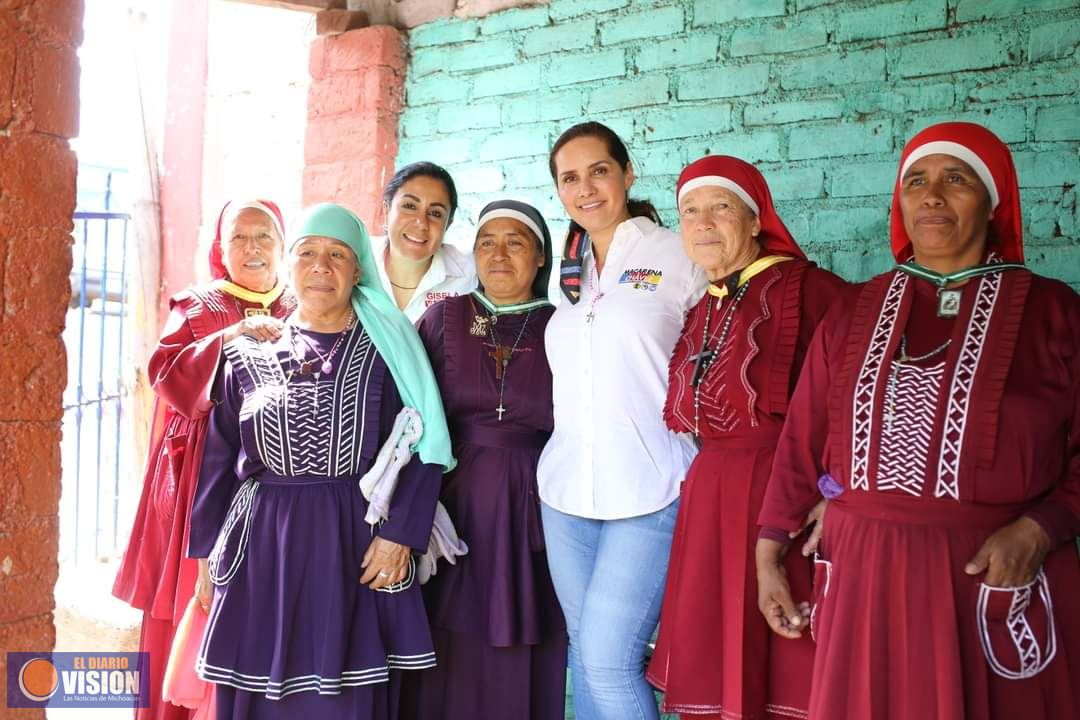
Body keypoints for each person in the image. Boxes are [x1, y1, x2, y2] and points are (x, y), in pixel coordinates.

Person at [756, 121, 1080, 719]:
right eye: (917, 181)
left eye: (956, 180)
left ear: (992, 202)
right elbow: (804, 443)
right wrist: (768, 554)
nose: (932, 195)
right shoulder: (854, 310)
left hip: (988, 572)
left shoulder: (1055, 313)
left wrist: (1041, 528)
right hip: (864, 574)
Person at [188, 203, 456, 719]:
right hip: (263, 549)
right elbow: (219, 460)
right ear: (287, 266)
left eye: (338, 255)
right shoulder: (247, 352)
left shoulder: (390, 349)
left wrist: (400, 534)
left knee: (348, 697)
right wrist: (205, 554)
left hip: (356, 547)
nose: (320, 266)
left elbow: (426, 448)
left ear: (359, 270)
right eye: (307, 253)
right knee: (260, 694)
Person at [646, 156, 846, 719]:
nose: (703, 223)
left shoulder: (812, 290)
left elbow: (864, 395)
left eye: (721, 208)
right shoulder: (703, 305)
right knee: (719, 673)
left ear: (756, 220)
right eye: (690, 212)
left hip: (784, 496)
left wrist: (835, 493)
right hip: (711, 497)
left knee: (789, 668)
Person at [538, 121, 705, 720]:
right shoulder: (568, 269)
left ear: (627, 174)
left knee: (611, 662)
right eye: (569, 178)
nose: (586, 189)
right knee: (586, 654)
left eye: (599, 171)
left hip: (651, 486)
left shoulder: (678, 250)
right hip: (564, 492)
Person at [112, 199, 293, 720]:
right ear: (221, 247)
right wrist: (228, 338)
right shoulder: (196, 306)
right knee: (191, 599)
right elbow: (164, 372)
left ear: (282, 247)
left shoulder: (302, 304)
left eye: (264, 237)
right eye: (239, 237)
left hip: (273, 478)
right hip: (198, 477)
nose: (252, 248)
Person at [401, 200, 567, 720]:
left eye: (515, 242)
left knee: (526, 635)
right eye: (487, 242)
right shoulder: (443, 317)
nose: (499, 254)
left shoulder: (561, 326)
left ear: (540, 257)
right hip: (450, 502)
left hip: (535, 508)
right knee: (444, 636)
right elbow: (408, 418)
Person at [372, 162, 476, 321]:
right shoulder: (354, 263)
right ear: (387, 211)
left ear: (448, 224)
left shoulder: (471, 273)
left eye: (435, 213)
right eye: (409, 206)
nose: (421, 222)